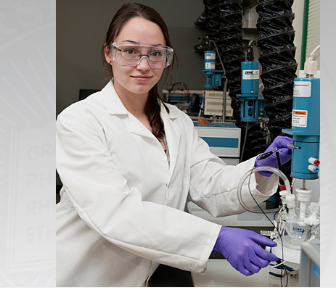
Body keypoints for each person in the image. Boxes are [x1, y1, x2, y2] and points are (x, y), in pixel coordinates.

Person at [56, 2, 293, 286]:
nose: (143, 65)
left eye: (155, 53)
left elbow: (211, 184)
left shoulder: (176, 122)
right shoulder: (79, 121)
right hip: (89, 275)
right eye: (130, 51)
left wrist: (261, 169)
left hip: (151, 270)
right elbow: (116, 214)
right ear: (109, 53)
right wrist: (215, 237)